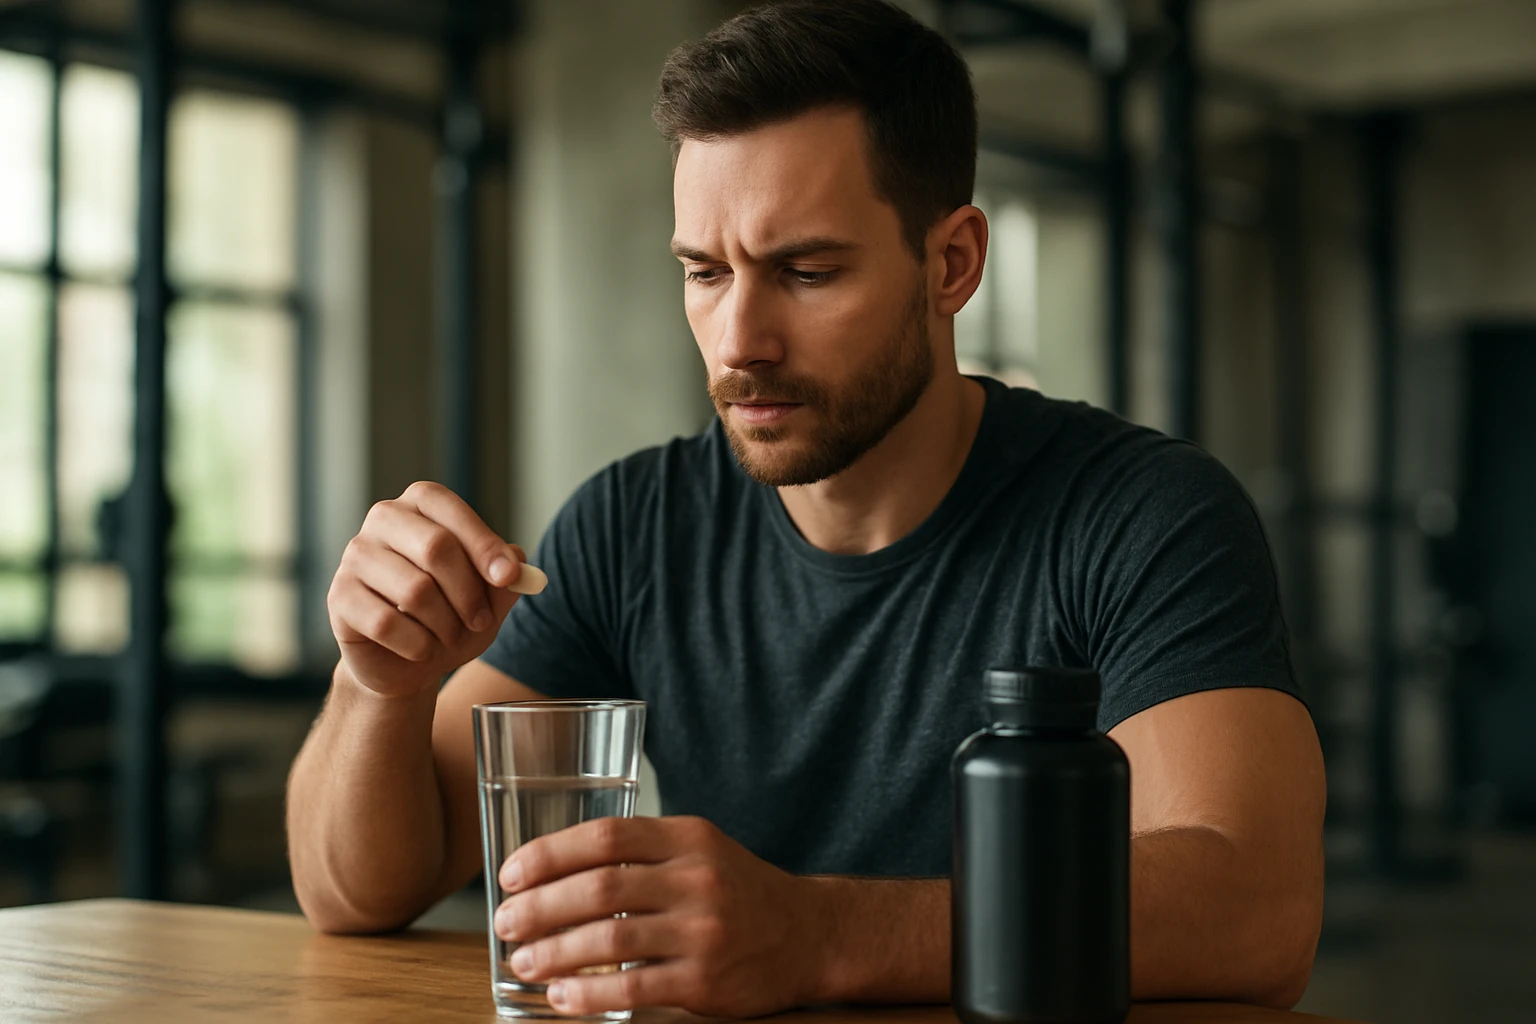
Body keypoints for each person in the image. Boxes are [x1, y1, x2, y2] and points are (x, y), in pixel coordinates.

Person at [285, 0, 1326, 1016]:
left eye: (808, 271)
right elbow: (357, 890)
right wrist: (379, 686)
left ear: (951, 263)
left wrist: (817, 936)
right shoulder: (635, 522)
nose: (740, 338)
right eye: (704, 272)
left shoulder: (1141, 515)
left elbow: (1256, 911)